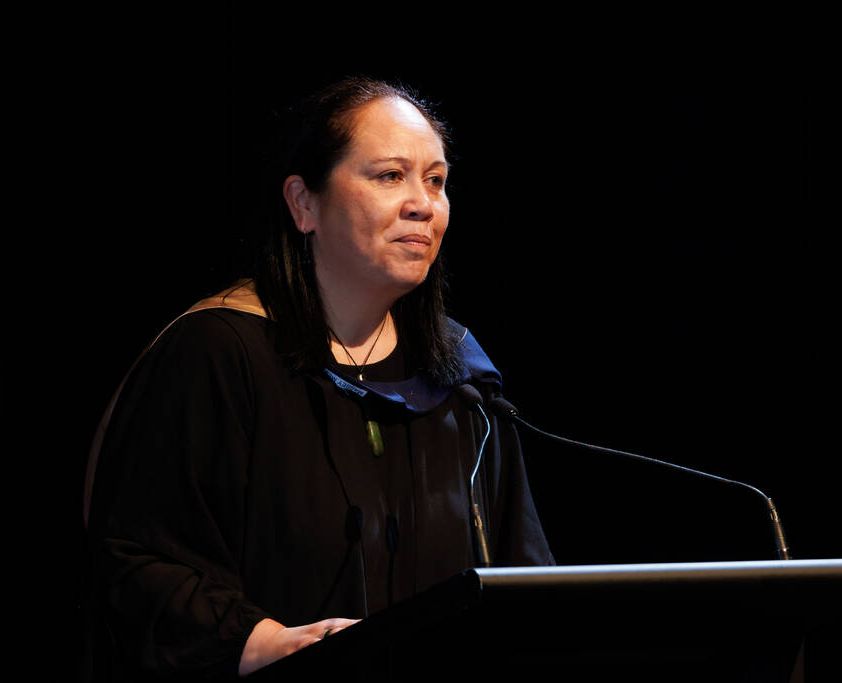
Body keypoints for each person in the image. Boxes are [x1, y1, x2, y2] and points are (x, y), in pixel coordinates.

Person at [80, 76, 554, 681]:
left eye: (436, 180)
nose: (423, 204)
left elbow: (525, 576)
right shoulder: (221, 353)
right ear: (304, 203)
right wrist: (260, 641)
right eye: (390, 176)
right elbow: (139, 559)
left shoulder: (458, 376)